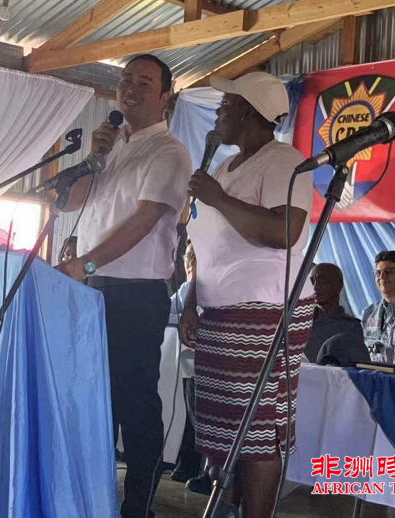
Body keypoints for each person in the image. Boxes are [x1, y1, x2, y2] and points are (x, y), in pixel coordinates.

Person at [56, 54, 192, 518]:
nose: (130, 88)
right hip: (92, 290)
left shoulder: (169, 152)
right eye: (125, 79)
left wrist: (86, 263)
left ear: (165, 96)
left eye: (144, 82)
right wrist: (93, 158)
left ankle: (138, 506)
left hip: (135, 294)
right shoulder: (112, 147)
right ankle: (94, 498)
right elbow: (67, 203)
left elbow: (144, 219)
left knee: (134, 405)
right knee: (95, 400)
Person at [181, 71, 315, 518]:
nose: (217, 115)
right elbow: (203, 247)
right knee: (228, 428)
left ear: (247, 112)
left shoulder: (283, 161)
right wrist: (191, 302)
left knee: (258, 429)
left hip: (268, 312)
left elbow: (284, 232)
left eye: (224, 106)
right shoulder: (224, 167)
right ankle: (230, 509)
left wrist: (218, 198)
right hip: (219, 312)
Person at [168, 241, 202, 483]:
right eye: (189, 258)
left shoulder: (208, 287)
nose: (191, 263)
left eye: (196, 258)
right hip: (183, 365)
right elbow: (167, 313)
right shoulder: (184, 289)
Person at [305, 263, 369, 367]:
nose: (315, 287)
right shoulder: (299, 323)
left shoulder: (351, 327)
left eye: (323, 280)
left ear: (338, 285)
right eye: (312, 282)